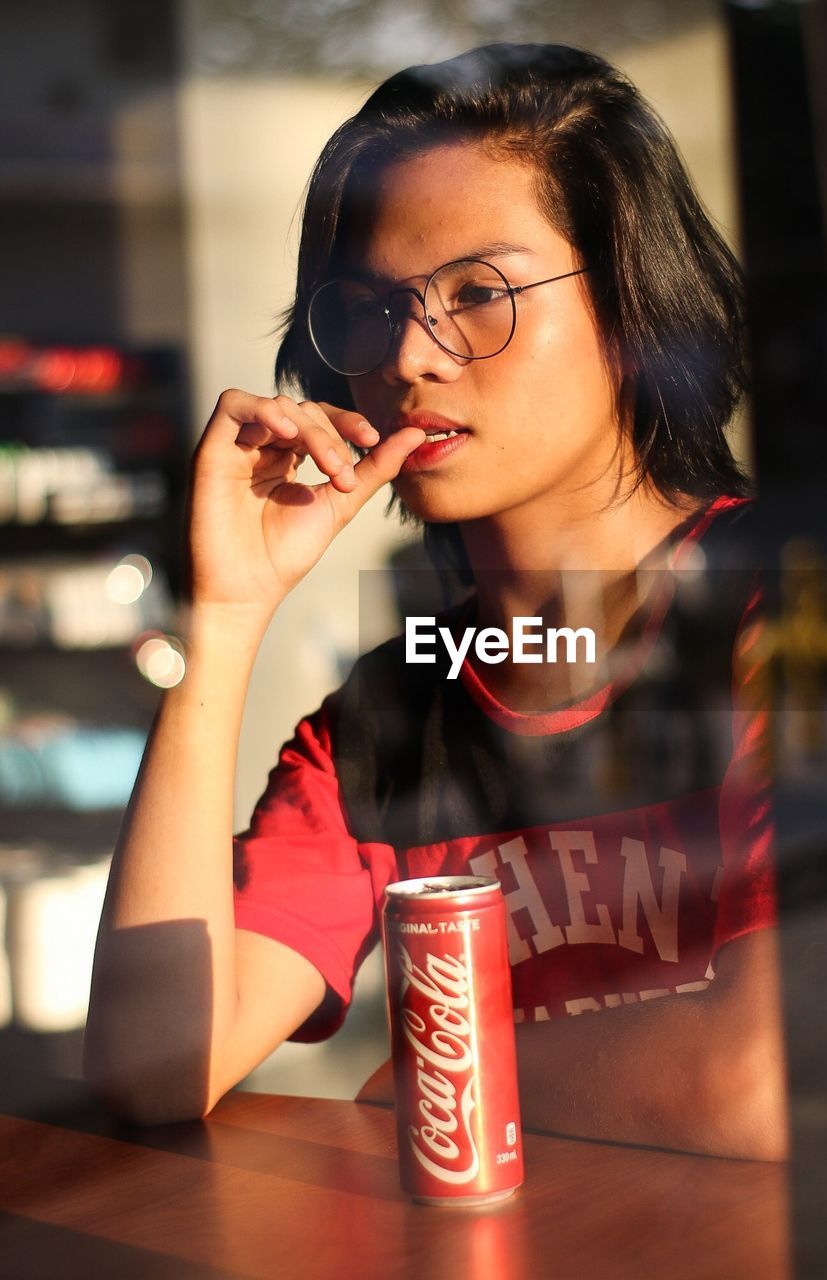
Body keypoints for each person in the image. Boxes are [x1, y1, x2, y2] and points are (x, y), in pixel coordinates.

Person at [84, 42, 788, 1161]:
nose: (411, 355)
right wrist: (223, 618)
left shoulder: (781, 612)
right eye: (371, 309)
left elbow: (770, 1074)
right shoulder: (393, 716)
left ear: (632, 305)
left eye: (479, 293)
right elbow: (153, 1058)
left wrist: (438, 1076)